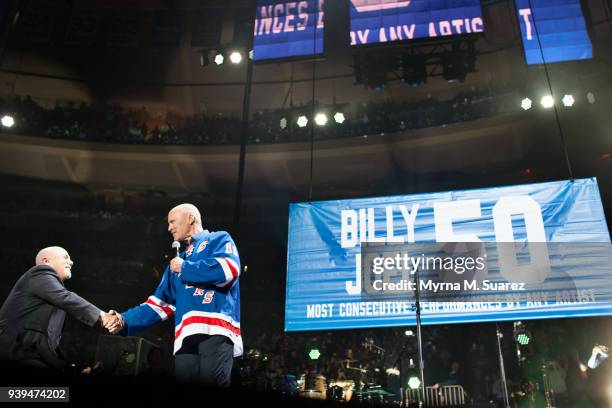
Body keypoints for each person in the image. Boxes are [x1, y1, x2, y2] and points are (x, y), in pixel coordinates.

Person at [107, 203, 242, 387]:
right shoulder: (176, 263)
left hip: (215, 329)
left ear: (190, 218)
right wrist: (125, 320)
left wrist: (186, 268)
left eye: (172, 221)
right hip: (184, 339)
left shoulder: (218, 238)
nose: (169, 227)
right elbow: (158, 304)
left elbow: (229, 269)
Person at [0, 246, 119, 371]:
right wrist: (102, 315)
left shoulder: (52, 294)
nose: (71, 262)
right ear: (46, 261)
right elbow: (66, 297)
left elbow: (49, 346)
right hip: (16, 349)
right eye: (65, 257)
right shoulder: (39, 273)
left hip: (29, 352)